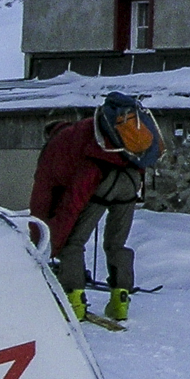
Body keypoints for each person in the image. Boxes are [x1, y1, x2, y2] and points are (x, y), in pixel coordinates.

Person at [28, 94, 162, 323]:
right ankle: (120, 301)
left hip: (102, 182)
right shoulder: (96, 130)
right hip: (130, 181)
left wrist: (48, 242)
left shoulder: (59, 148)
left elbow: (64, 200)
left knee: (74, 242)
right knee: (116, 242)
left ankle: (75, 301)